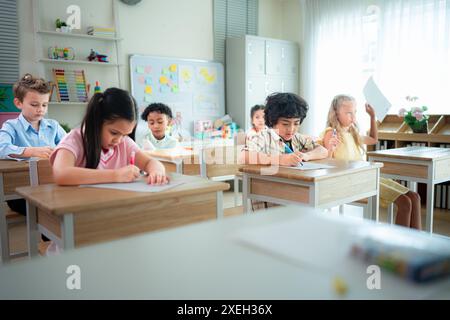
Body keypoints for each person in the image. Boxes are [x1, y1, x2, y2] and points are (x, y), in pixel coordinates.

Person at [321, 94, 421, 229]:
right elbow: (327, 162)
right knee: (405, 202)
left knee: (415, 197)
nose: (354, 118)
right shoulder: (331, 133)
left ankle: (416, 244)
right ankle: (402, 246)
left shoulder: (352, 133)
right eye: (349, 113)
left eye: (355, 113)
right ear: (336, 113)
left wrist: (372, 117)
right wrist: (330, 148)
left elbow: (374, 139)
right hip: (352, 181)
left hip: (366, 176)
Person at [51, 88, 169, 186]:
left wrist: (157, 171)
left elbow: (150, 162)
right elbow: (61, 174)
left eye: (125, 135)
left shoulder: (125, 143)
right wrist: (116, 175)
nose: (118, 140)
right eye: (114, 133)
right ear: (97, 122)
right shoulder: (75, 140)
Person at [0, 73, 66, 215]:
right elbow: (2, 148)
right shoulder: (10, 126)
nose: (40, 109)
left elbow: (69, 147)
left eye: (44, 105)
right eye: (34, 105)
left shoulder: (53, 126)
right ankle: (50, 234)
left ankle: (56, 235)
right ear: (18, 103)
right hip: (19, 191)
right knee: (44, 210)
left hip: (49, 186)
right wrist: (31, 151)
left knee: (64, 205)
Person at [242, 92, 328, 167]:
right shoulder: (264, 137)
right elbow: (244, 156)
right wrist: (280, 159)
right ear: (272, 121)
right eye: (285, 124)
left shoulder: (297, 138)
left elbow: (323, 151)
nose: (291, 129)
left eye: (296, 123)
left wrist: (307, 156)